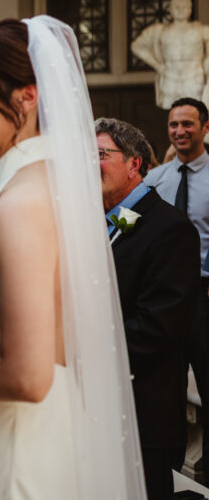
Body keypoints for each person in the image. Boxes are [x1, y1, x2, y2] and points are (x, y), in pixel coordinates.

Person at [0, 17, 144, 499]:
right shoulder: (40, 186)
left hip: (20, 461)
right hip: (35, 439)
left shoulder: (23, 201)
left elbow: (26, 375)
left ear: (26, 97)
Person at [96, 117, 199, 500]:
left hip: (144, 412)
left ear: (134, 163)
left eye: (101, 155)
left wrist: (87, 351)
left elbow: (159, 326)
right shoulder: (103, 222)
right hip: (102, 407)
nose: (90, 165)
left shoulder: (170, 229)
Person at [145, 96, 209, 476]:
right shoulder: (154, 180)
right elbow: (124, 228)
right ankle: (166, 469)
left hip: (204, 298)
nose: (179, 131)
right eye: (173, 125)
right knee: (164, 389)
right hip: (163, 303)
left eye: (187, 124)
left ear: (204, 128)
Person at [131, 0, 209, 108]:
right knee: (174, 112)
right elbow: (137, 46)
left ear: (190, 9)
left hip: (194, 76)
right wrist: (158, 66)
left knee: (195, 112)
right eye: (177, 7)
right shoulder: (160, 30)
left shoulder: (201, 30)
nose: (181, 10)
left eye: (185, 6)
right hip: (170, 76)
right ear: (170, 10)